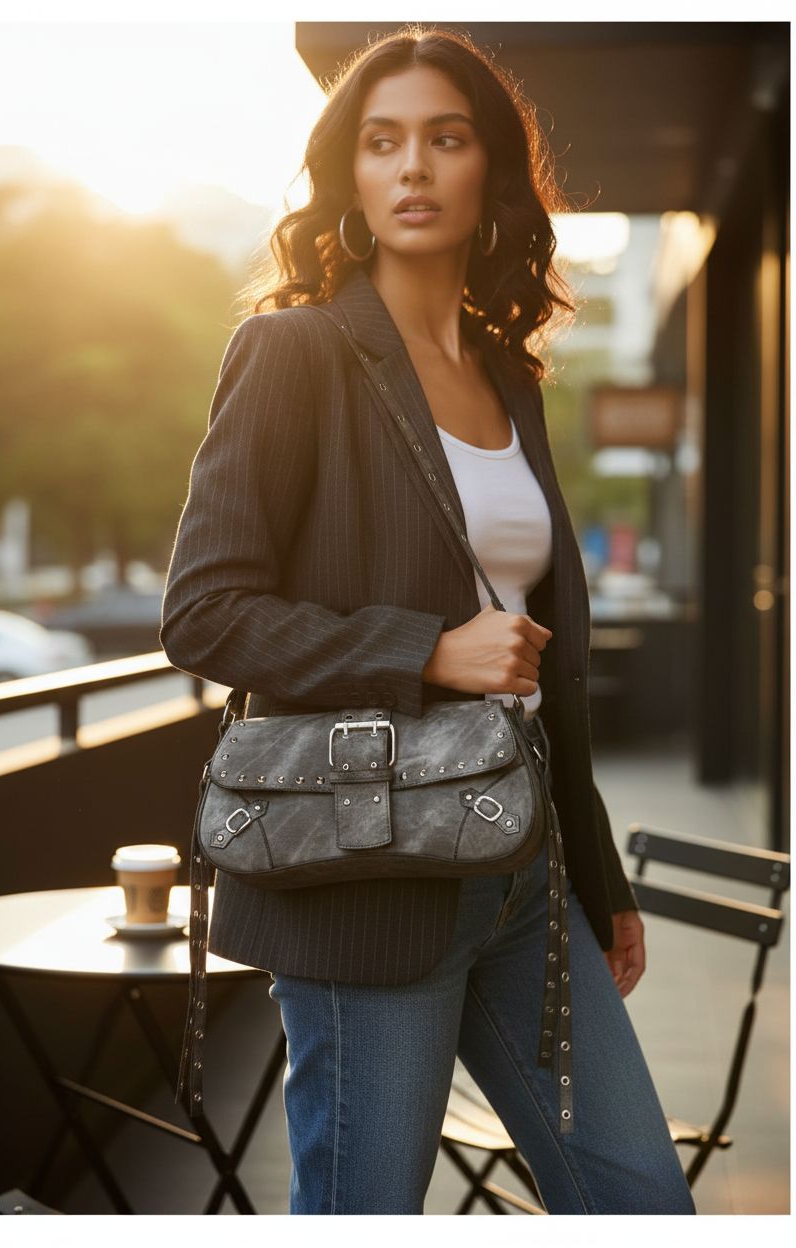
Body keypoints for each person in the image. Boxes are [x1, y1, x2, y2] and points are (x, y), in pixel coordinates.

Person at [160, 25, 696, 1216]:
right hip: (368, 879)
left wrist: (596, 873)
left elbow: (546, 664)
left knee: (644, 1202)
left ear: (488, 172)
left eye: (443, 139)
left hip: (523, 879)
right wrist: (424, 651)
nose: (411, 167)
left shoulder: (510, 378)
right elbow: (202, 613)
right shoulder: (291, 352)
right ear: (347, 174)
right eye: (381, 140)